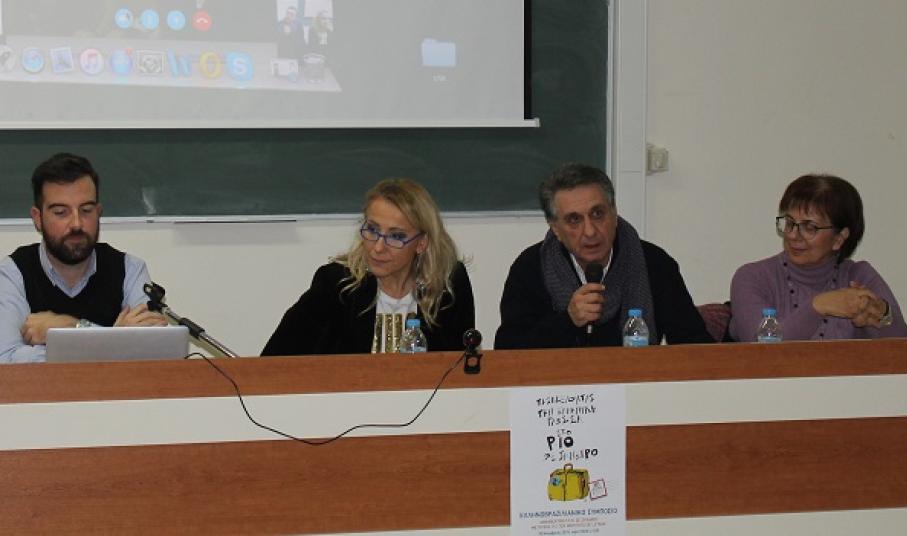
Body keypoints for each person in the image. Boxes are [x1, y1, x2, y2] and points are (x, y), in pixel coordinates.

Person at [495, 163, 713, 349]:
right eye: (574, 220)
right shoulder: (531, 267)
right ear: (556, 229)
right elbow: (508, 350)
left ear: (614, 214)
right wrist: (568, 321)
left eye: (598, 214)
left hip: (635, 381)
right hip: (559, 385)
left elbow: (695, 344)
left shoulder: (654, 263)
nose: (590, 231)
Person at [262, 178, 475, 355]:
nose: (378, 247)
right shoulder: (336, 284)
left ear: (421, 243)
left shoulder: (448, 285)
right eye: (372, 230)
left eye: (396, 236)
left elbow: (461, 370)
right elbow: (275, 360)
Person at [0, 153, 167, 364]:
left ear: (98, 212)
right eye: (61, 212)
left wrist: (72, 328)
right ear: (38, 218)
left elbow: (156, 351)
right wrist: (114, 341)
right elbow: (6, 359)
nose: (77, 224)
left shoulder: (130, 270)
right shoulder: (13, 273)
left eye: (86, 210)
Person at [729, 174, 907, 341]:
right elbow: (760, 346)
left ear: (839, 239)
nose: (793, 235)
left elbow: (900, 349)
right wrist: (819, 305)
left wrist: (883, 315)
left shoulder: (859, 276)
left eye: (809, 227)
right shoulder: (753, 277)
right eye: (790, 223)